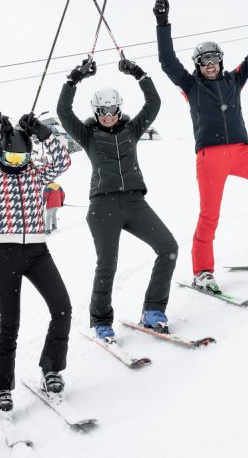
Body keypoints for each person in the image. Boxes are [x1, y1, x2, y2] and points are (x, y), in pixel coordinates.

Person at [154, 0, 248, 294]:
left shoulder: (234, 79)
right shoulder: (190, 85)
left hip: (242, 151)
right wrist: (163, 22)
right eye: (204, 60)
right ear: (197, 65)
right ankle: (203, 272)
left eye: (214, 59)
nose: (210, 64)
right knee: (210, 214)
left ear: (221, 61)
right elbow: (167, 62)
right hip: (211, 157)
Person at [57, 56, 178, 337]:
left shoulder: (131, 130)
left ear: (119, 108)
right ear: (96, 111)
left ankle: (153, 310)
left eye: (112, 109)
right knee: (108, 265)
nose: (108, 114)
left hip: (135, 203)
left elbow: (154, 104)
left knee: (168, 248)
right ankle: (101, 322)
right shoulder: (87, 135)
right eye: (102, 110)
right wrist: (75, 78)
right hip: (103, 206)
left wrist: (139, 74)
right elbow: (63, 111)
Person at [0, 113, 71, 412]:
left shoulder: (35, 174)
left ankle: (51, 369)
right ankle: (0, 387)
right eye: (11, 156)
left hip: (38, 252)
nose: (17, 162)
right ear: (0, 153)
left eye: (23, 157)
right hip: (5, 254)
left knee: (62, 309)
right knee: (9, 323)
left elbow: (63, 161)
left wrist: (44, 132)